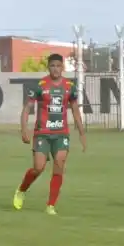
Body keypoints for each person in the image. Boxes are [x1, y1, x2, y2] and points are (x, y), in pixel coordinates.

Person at [13, 53, 86, 214]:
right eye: (52, 65)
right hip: (42, 134)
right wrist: (24, 129)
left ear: (63, 67)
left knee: (59, 166)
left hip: (61, 134)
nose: (55, 69)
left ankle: (51, 205)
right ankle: (22, 189)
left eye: (58, 66)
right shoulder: (40, 85)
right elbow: (27, 108)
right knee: (38, 168)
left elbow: (75, 110)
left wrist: (82, 133)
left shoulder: (69, 87)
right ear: (48, 67)